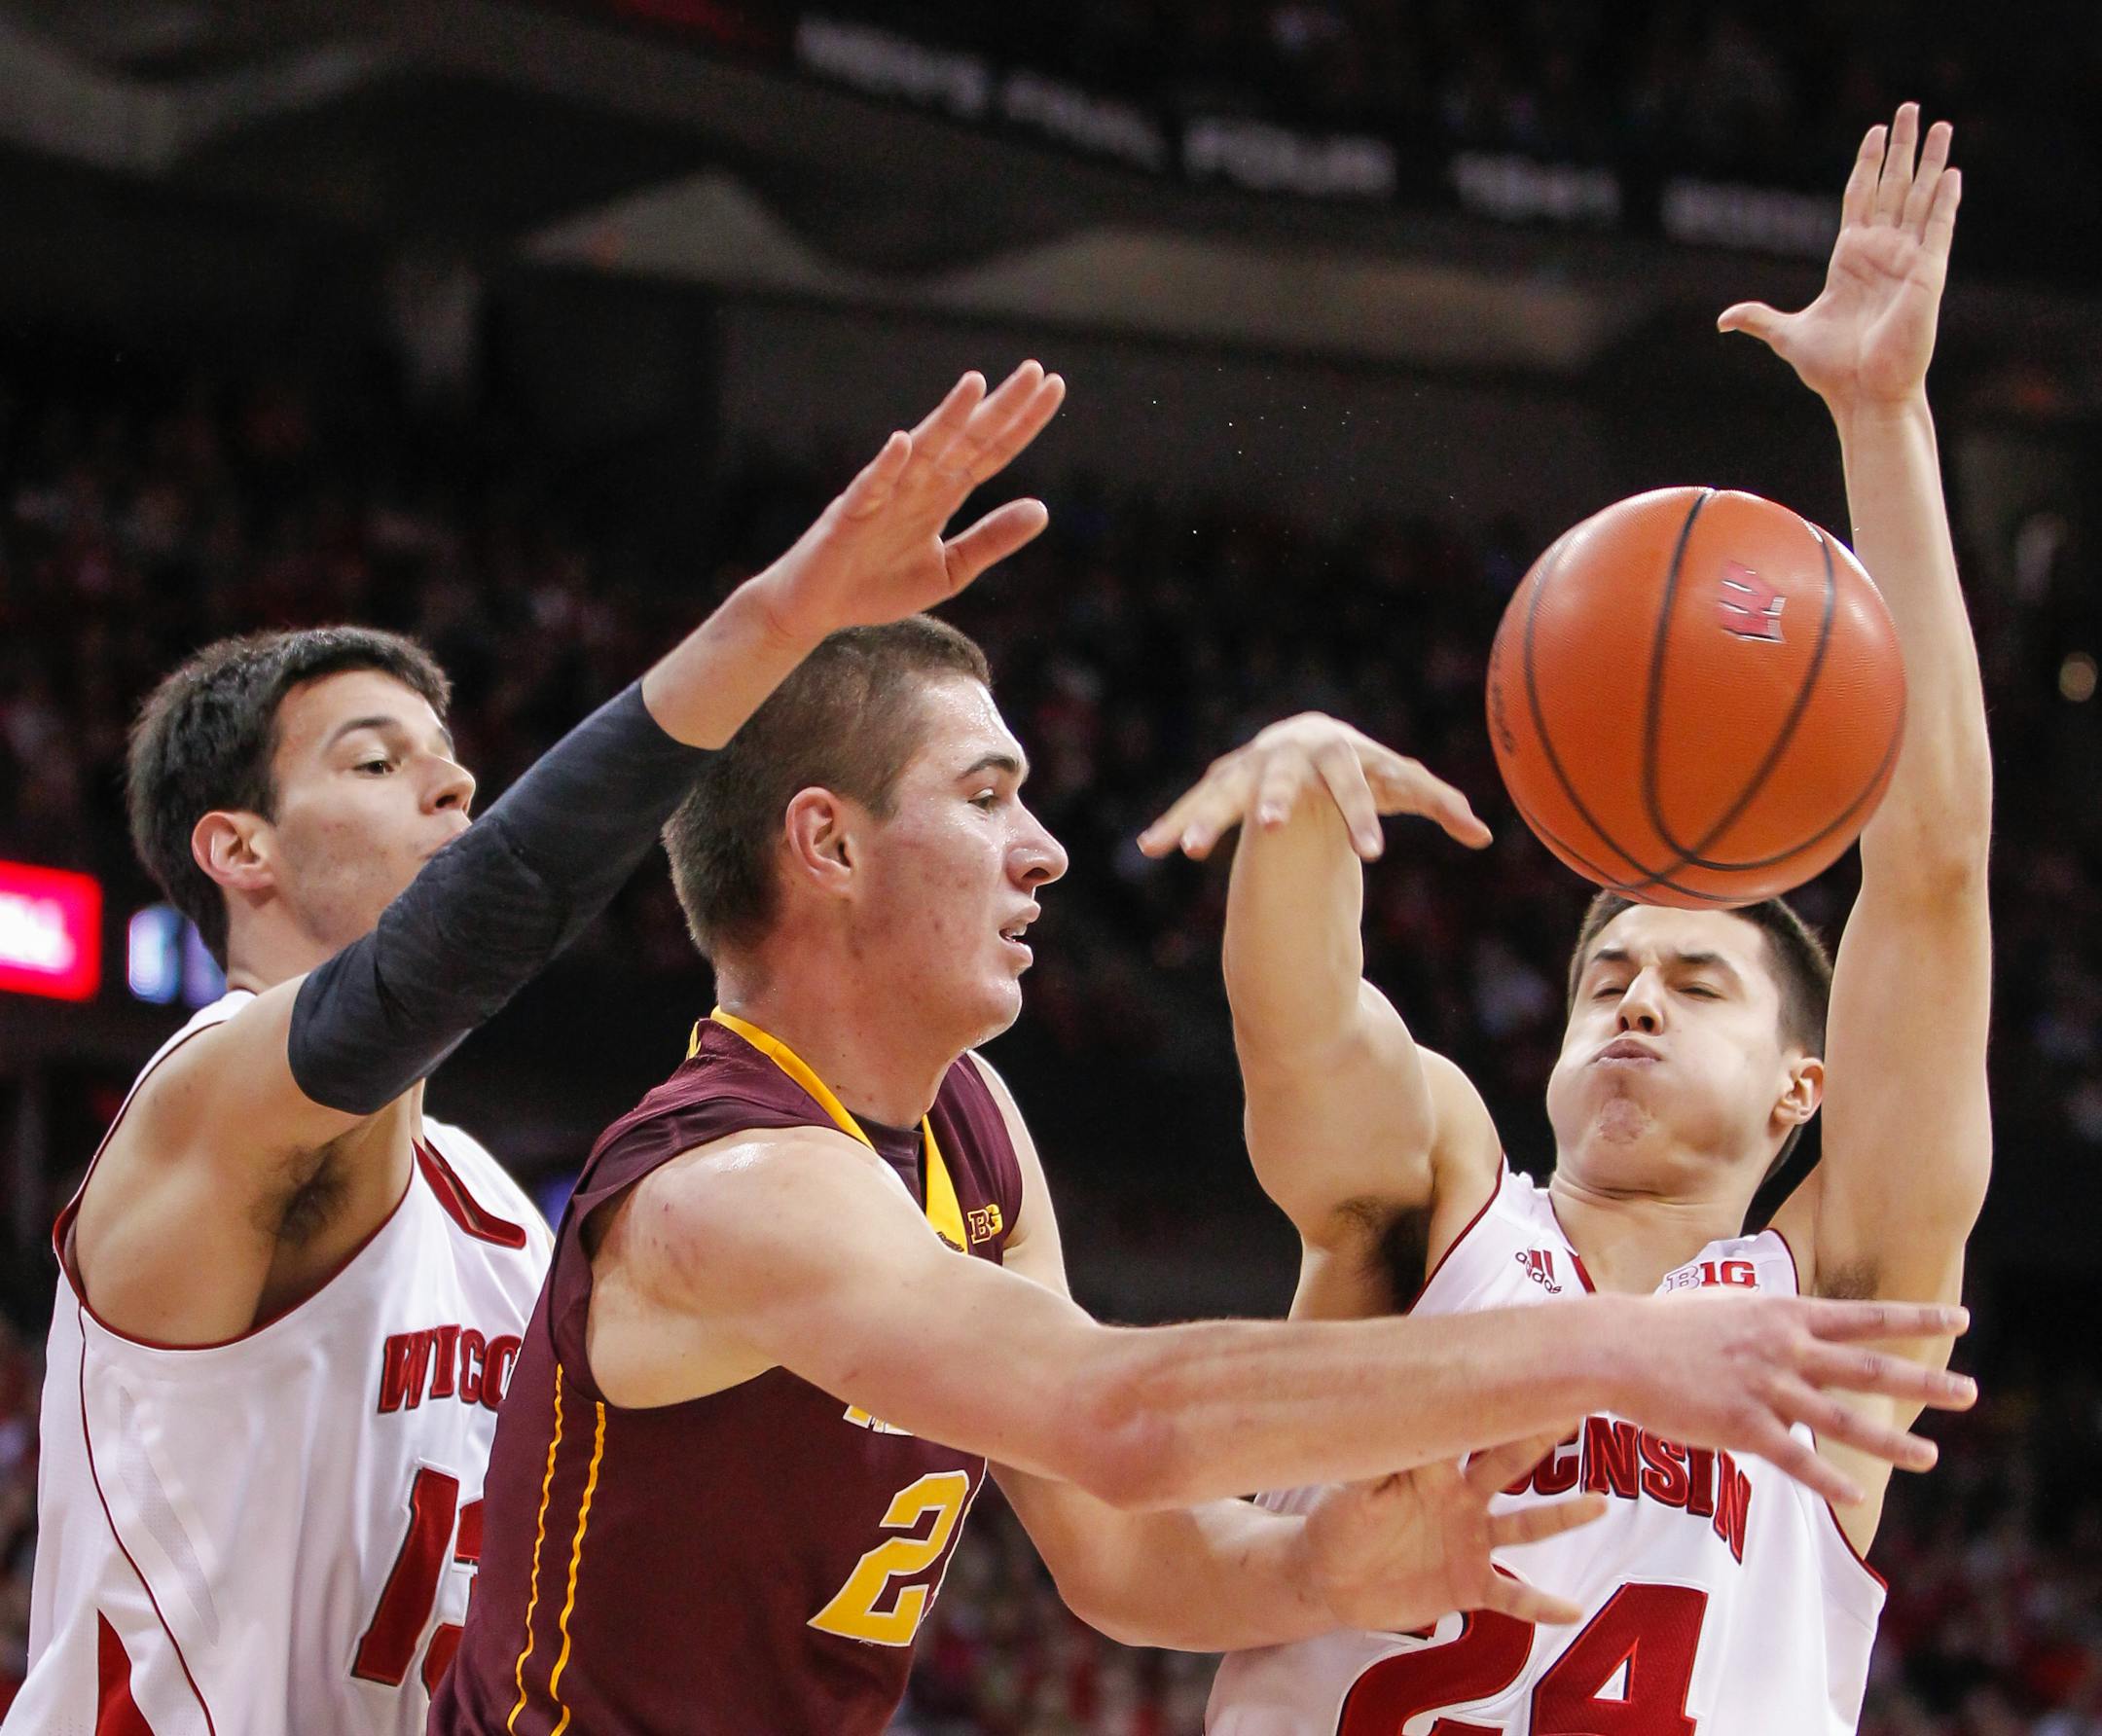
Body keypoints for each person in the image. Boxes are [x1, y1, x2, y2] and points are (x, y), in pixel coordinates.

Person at [433, 579, 1973, 1726]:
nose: (1044, 847)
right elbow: (1121, 1414)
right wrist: (1618, 1354)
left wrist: (1322, 1580)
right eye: (987, 798)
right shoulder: (731, 1194)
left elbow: (1117, 1555)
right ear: (829, 845)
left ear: (1800, 1087)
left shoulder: (973, 1138)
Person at [5, 361, 1068, 1736]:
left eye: (451, 756)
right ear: (238, 851)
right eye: (377, 763)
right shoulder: (201, 1106)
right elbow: (471, 934)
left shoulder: (508, 1221)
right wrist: (780, 616)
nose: (451, 781)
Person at [1140, 108, 1986, 1735]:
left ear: (1805, 1087)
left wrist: (1881, 415)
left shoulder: (1833, 1315)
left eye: (1694, 981)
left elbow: (1935, 878)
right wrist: (1299, 807)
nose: (1636, 1002)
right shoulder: (1446, 1194)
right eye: (1607, 976)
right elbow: (1300, 1024)